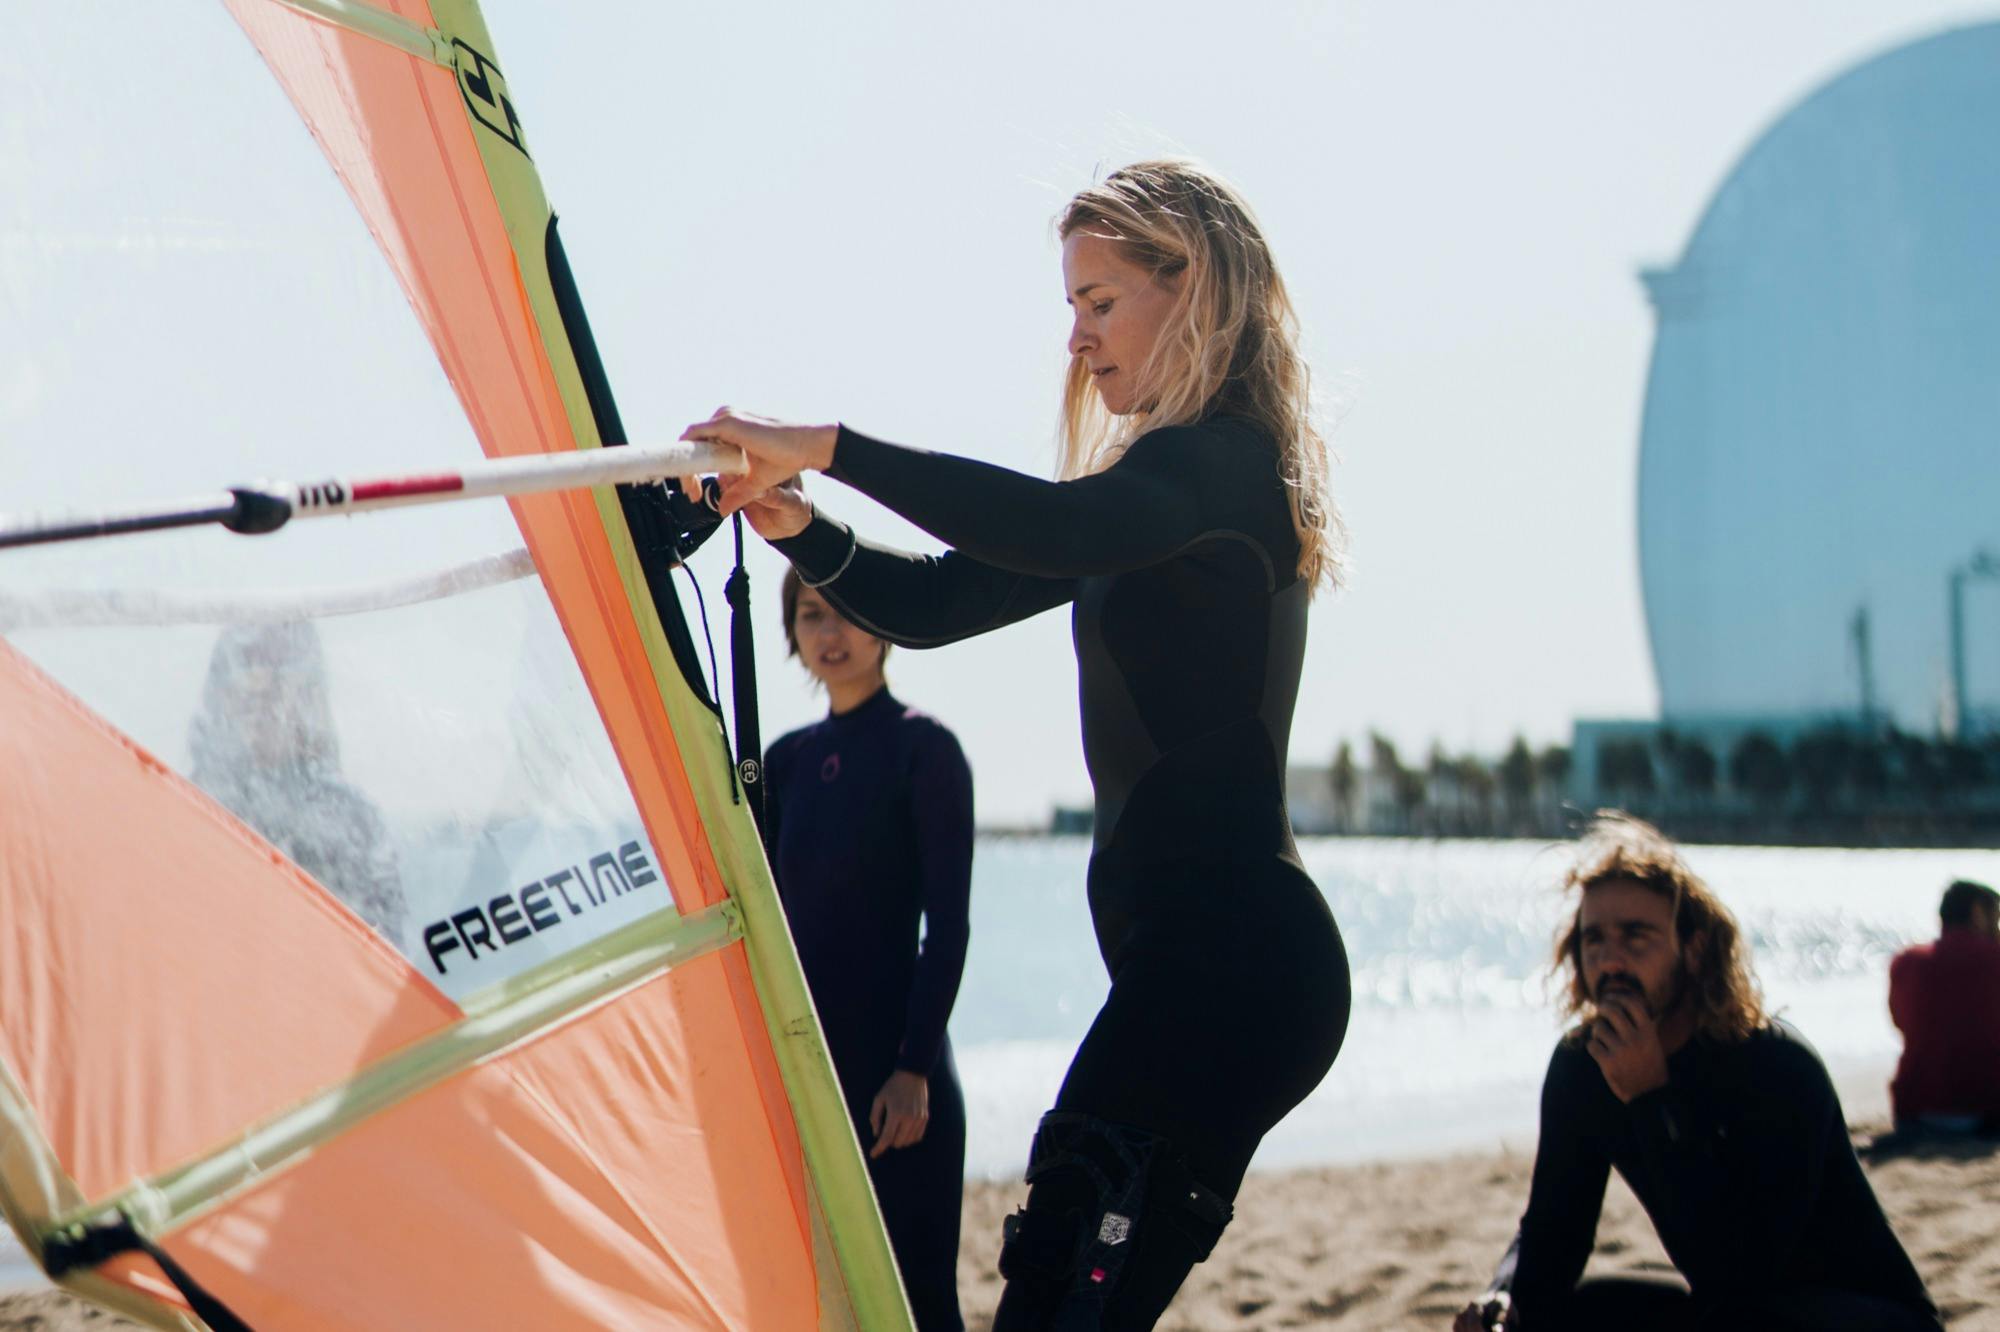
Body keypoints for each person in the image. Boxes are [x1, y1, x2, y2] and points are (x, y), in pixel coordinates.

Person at [682, 159, 1352, 1329]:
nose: (1078, 341)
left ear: (1191, 289)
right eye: (1071, 308)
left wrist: (831, 445)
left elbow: (1049, 525)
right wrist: (798, 525)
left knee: (1053, 1287)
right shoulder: (1153, 499)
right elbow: (940, 605)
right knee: (1066, 1298)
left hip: (1231, 965)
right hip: (1195, 971)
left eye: (1100, 302)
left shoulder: (1221, 467)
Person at [1453, 814, 1940, 1332]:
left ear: (1695, 948)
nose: (1610, 960)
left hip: (1867, 1313)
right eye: (1593, 939)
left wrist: (1649, 1099)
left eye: (1636, 936)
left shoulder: (1776, 1064)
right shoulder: (1583, 1065)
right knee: (1556, 1315)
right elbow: (1555, 1232)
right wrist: (1504, 1298)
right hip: (1736, 1307)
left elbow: (1738, 1273)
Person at [762, 568, 973, 1332]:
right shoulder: (779, 764)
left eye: (847, 612)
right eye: (812, 614)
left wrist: (913, 1069)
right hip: (811, 1075)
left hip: (899, 1084)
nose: (830, 633)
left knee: (920, 1302)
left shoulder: (926, 749)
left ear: (882, 625)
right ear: (791, 632)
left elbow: (947, 926)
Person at [188, 620, 408, 944]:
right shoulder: (188, 813)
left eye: (283, 671)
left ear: (311, 694)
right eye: (248, 666)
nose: (262, 687)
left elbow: (387, 954)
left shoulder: (353, 819)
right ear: (221, 694)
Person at [1887, 878, 2000, 1135]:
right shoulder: (1994, 959)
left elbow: (1901, 1023)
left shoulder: (1906, 961)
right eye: (1996, 917)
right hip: (1986, 1110)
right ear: (1977, 913)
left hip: (1914, 1109)